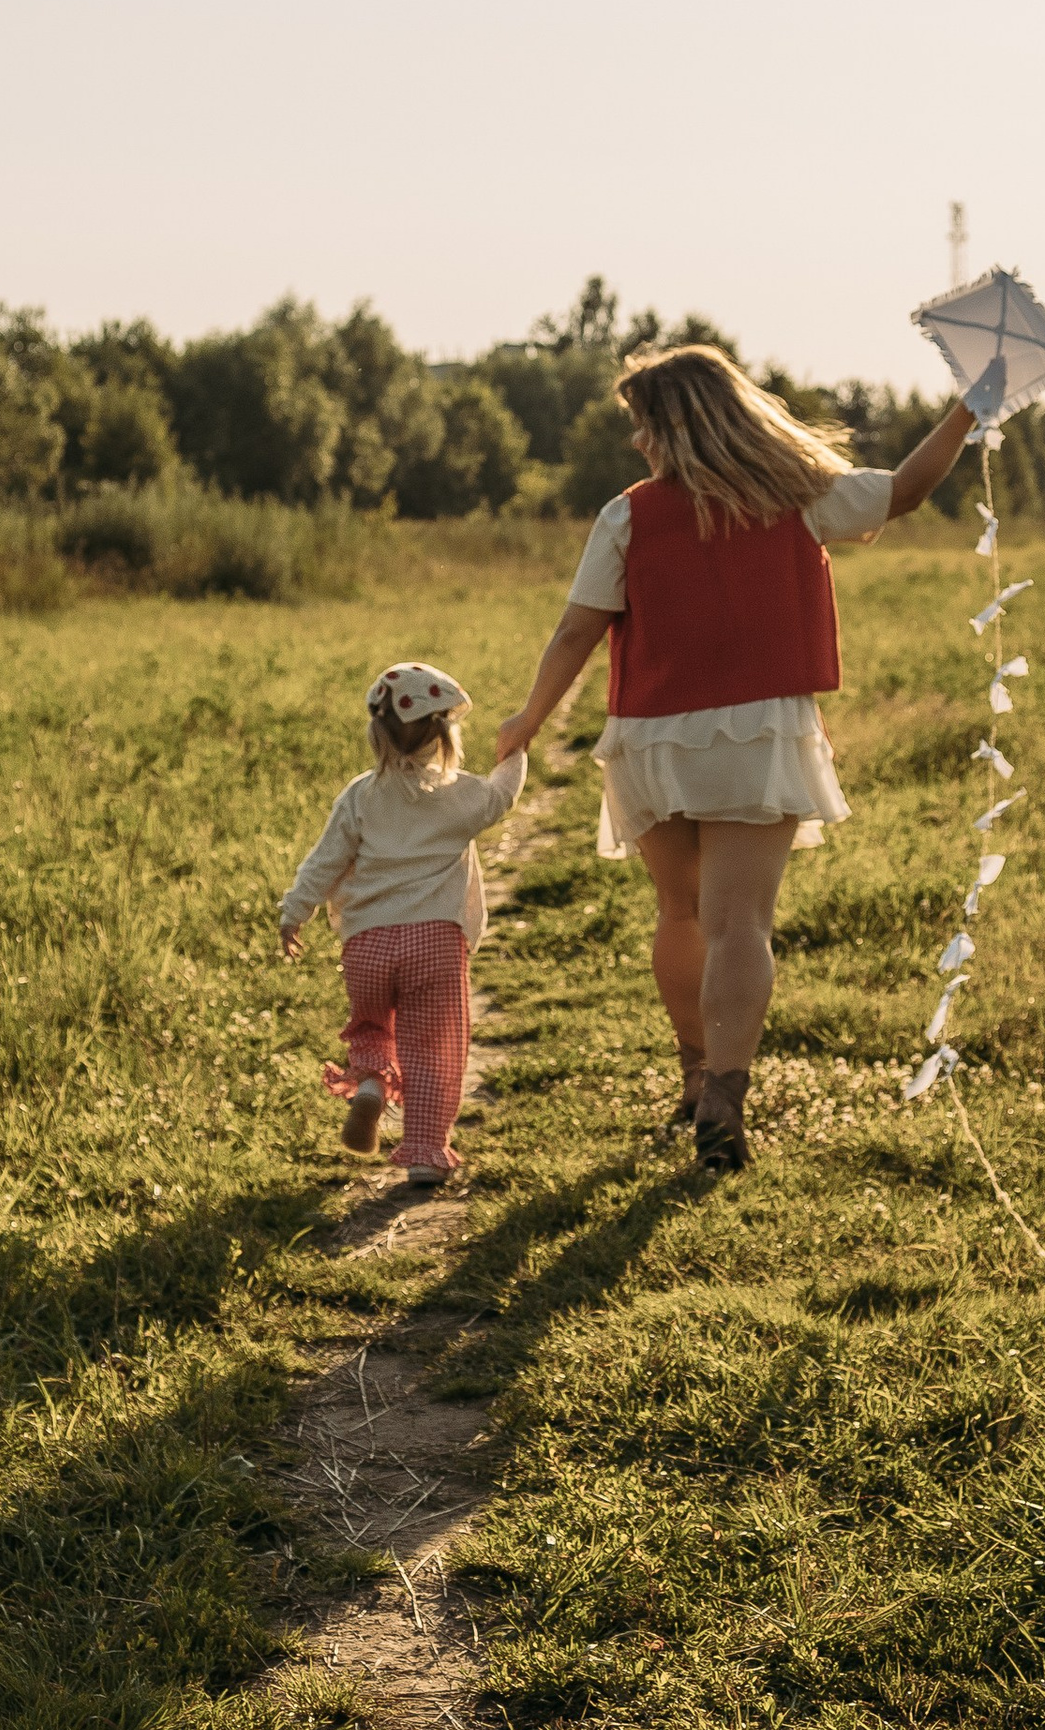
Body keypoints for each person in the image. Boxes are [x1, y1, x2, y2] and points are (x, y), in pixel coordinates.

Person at [496, 341, 1005, 1173]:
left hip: (652, 736)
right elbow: (907, 490)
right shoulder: (799, 498)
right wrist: (966, 409)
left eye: (642, 426)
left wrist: (528, 717)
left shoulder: (627, 514)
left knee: (681, 913)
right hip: (759, 731)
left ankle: (695, 1076)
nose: (637, 445)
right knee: (742, 924)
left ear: (674, 426)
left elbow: (576, 630)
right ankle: (728, 1093)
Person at [279, 662, 527, 1191]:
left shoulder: (359, 797)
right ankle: (425, 1153)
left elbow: (323, 862)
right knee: (433, 1047)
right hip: (434, 941)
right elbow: (503, 795)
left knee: (372, 1026)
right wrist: (517, 749)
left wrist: (292, 913)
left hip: (366, 944)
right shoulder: (457, 795)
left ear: (376, 732)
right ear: (444, 734)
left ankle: (369, 1082)